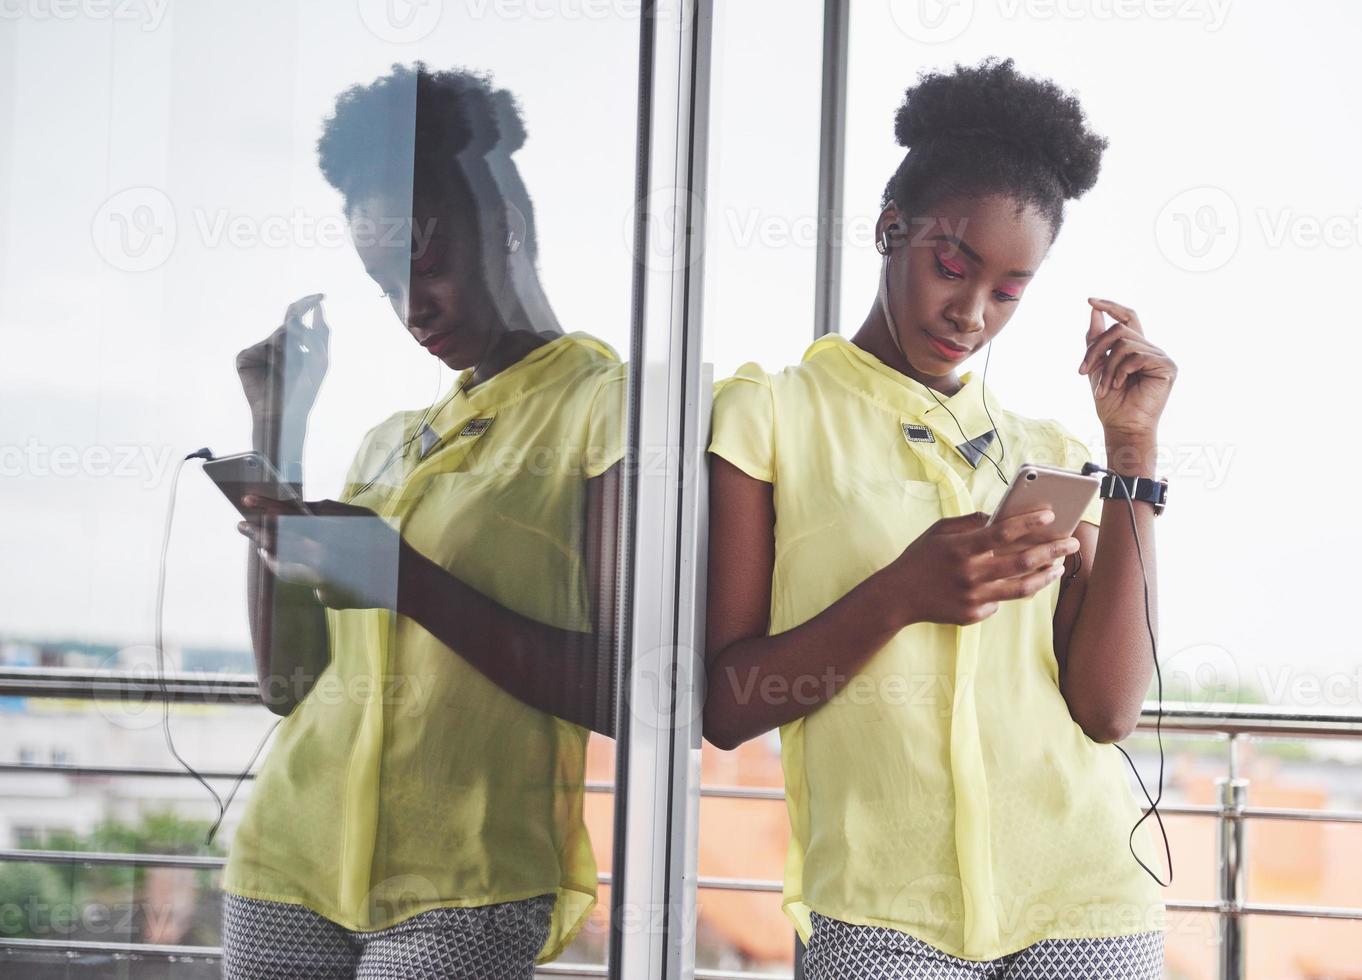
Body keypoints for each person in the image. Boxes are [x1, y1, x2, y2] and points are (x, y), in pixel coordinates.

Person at [703, 57, 1178, 978]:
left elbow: (1109, 709)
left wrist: (1131, 454)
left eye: (1008, 290)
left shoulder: (1038, 447)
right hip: (879, 918)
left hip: (1085, 903)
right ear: (892, 230)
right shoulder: (767, 415)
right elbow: (728, 706)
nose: (970, 312)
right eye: (951, 266)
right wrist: (900, 595)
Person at [220, 62, 626, 979]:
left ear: (509, 226)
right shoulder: (388, 445)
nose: (410, 308)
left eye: (426, 262)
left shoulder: (614, 410)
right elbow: (287, 682)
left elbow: (624, 692)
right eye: (380, 279)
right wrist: (277, 432)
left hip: (471, 885)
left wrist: (404, 578)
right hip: (288, 858)